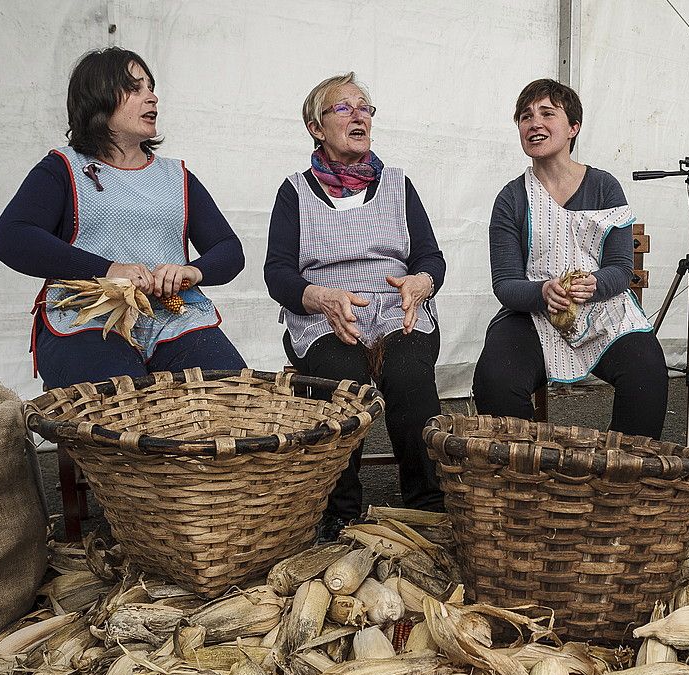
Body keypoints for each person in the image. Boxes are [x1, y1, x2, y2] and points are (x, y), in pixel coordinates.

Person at [0, 47, 245, 388]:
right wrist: (110, 270)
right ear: (98, 98)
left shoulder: (177, 176)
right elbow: (12, 236)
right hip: (87, 318)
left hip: (173, 317)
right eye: (135, 88)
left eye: (151, 87)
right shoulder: (64, 168)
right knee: (117, 410)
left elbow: (229, 249)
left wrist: (190, 271)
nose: (152, 97)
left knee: (230, 392)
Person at [264, 72, 446, 529]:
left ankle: (426, 508)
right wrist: (319, 297)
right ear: (316, 128)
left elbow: (430, 257)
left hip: (395, 307)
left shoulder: (399, 185)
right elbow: (278, 273)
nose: (359, 114)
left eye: (365, 107)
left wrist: (421, 283)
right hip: (326, 313)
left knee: (407, 373)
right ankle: (338, 513)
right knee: (338, 380)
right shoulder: (295, 192)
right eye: (343, 107)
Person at [473, 78, 668, 439]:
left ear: (573, 127)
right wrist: (543, 291)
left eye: (547, 113)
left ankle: (621, 473)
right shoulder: (511, 198)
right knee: (494, 381)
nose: (534, 124)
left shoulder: (604, 186)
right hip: (532, 314)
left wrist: (595, 284)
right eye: (526, 116)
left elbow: (621, 269)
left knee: (648, 372)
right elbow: (505, 283)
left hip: (602, 310)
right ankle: (528, 467)